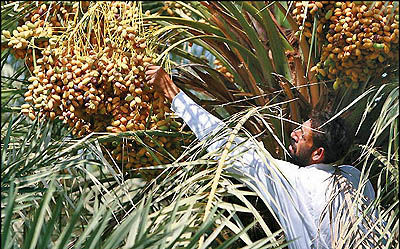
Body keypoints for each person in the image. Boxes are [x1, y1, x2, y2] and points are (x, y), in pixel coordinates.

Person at [145, 65, 381, 249]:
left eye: (301, 135)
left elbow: (229, 145)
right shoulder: (357, 180)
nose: (292, 133)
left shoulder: (298, 182)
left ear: (318, 154)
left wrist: (171, 91)